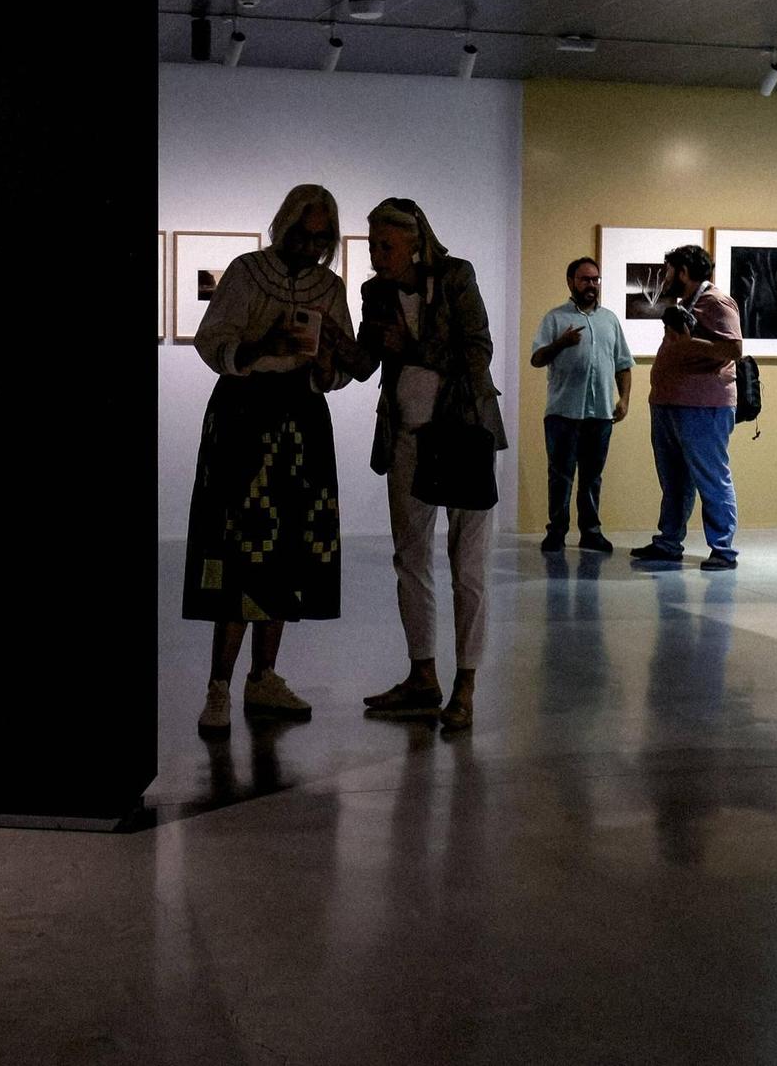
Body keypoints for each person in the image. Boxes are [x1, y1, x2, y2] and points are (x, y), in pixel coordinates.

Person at [183, 185, 371, 739]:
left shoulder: (329, 287)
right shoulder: (246, 272)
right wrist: (264, 344)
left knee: (288, 548)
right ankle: (219, 683)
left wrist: (327, 360)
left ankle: (263, 675)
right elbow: (212, 340)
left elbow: (336, 367)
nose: (310, 247)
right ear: (282, 225)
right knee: (236, 547)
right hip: (244, 421)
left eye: (321, 238)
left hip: (301, 424)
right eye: (302, 234)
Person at [357, 198, 507, 732]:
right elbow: (361, 363)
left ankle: (465, 686)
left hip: (465, 434)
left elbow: (477, 352)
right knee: (410, 559)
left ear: (415, 242)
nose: (376, 256)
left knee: (468, 570)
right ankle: (423, 675)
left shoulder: (456, 276)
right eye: (372, 245)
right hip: (406, 438)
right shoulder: (374, 292)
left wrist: (415, 346)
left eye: (385, 246)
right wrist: (327, 345)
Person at [632, 244, 743, 569]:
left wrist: (688, 343)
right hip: (670, 404)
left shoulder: (716, 301)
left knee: (711, 477)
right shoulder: (688, 304)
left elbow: (733, 349)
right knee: (674, 481)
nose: (664, 277)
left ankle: (723, 550)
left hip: (703, 406)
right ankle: (668, 542)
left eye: (668, 270)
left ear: (683, 271)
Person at [531, 255, 633, 553]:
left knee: (592, 477)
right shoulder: (555, 318)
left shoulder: (609, 320)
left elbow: (623, 364)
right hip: (563, 413)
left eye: (595, 279)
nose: (591, 285)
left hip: (600, 413)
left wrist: (624, 399)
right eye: (585, 279)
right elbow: (537, 359)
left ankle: (591, 532)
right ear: (571, 282)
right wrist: (560, 343)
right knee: (560, 476)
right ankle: (557, 532)